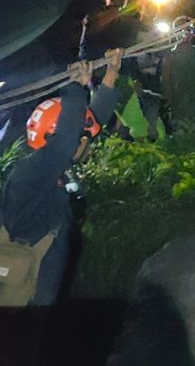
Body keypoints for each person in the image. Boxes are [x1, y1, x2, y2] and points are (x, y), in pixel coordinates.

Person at [0, 50, 122, 305]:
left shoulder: (48, 164)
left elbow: (90, 122)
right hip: (25, 286)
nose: (87, 144)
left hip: (38, 274)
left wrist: (111, 74)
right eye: (83, 139)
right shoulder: (34, 172)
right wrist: (75, 87)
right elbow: (69, 138)